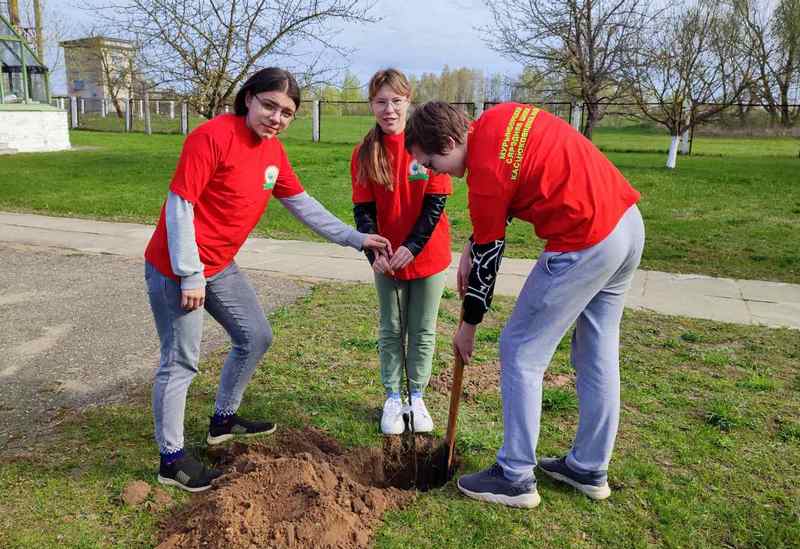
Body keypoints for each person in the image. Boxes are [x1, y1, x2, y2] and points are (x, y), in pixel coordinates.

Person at [144, 67, 391, 492]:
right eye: (269, 106)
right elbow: (179, 207)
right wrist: (189, 275)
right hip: (176, 267)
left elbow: (303, 204)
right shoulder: (212, 137)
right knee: (181, 360)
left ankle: (223, 420)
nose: (276, 117)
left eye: (287, 112)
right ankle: (172, 459)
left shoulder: (272, 153)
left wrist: (355, 238)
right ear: (248, 99)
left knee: (255, 335)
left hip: (220, 264)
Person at [405, 101, 644, 508]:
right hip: (627, 224)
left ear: (448, 141)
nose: (432, 171)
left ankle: (514, 477)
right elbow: (518, 177)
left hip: (584, 238)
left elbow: (488, 260)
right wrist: (472, 242)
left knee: (519, 350)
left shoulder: (482, 176)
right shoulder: (502, 117)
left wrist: (467, 327)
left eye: (430, 161)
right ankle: (588, 467)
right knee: (596, 351)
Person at [351, 69, 452, 435]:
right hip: (386, 258)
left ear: (408, 101)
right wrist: (374, 253)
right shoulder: (364, 153)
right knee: (391, 327)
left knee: (422, 328)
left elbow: (435, 204)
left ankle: (417, 397)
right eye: (381, 101)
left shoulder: (426, 144)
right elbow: (363, 211)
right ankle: (393, 397)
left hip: (427, 254)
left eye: (396, 100)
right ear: (371, 105)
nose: (389, 109)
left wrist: (412, 247)